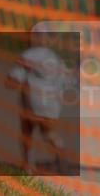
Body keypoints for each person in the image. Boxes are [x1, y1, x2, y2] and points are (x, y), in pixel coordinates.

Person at [5, 32, 75, 173]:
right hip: (52, 105)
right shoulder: (55, 57)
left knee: (26, 132)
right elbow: (67, 80)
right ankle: (62, 161)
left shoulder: (28, 55)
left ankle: (28, 165)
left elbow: (15, 78)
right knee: (50, 133)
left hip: (32, 102)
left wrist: (10, 81)